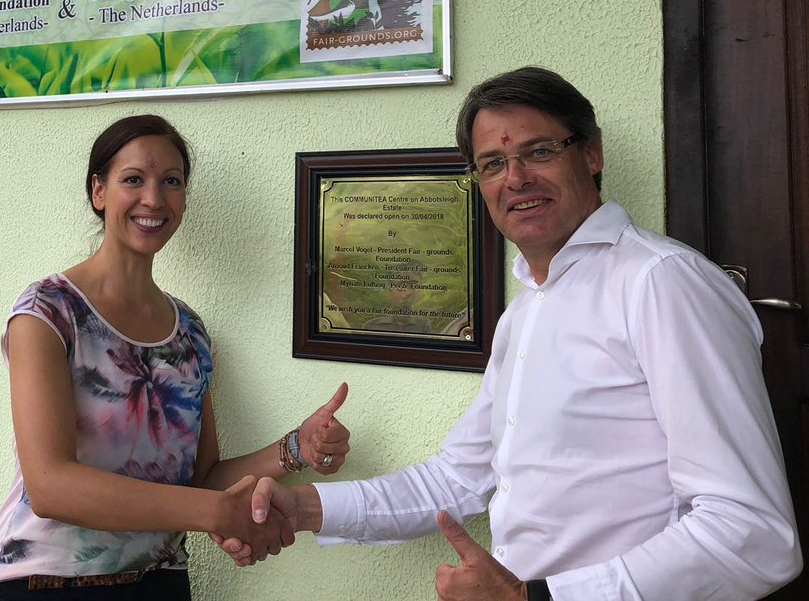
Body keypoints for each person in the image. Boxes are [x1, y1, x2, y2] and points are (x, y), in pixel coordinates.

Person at [233, 67, 802, 600]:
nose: (517, 178)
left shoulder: (660, 283)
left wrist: (539, 598)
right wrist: (302, 509)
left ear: (593, 154)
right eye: (492, 164)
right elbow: (457, 478)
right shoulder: (528, 308)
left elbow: (751, 531)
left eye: (540, 151)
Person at [0, 114, 351, 600]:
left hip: (160, 586)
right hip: (43, 584)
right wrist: (214, 514)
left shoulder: (190, 332)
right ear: (99, 191)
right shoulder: (48, 312)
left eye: (171, 181)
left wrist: (296, 447)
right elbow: (50, 486)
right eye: (133, 179)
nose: (154, 198)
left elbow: (202, 480)